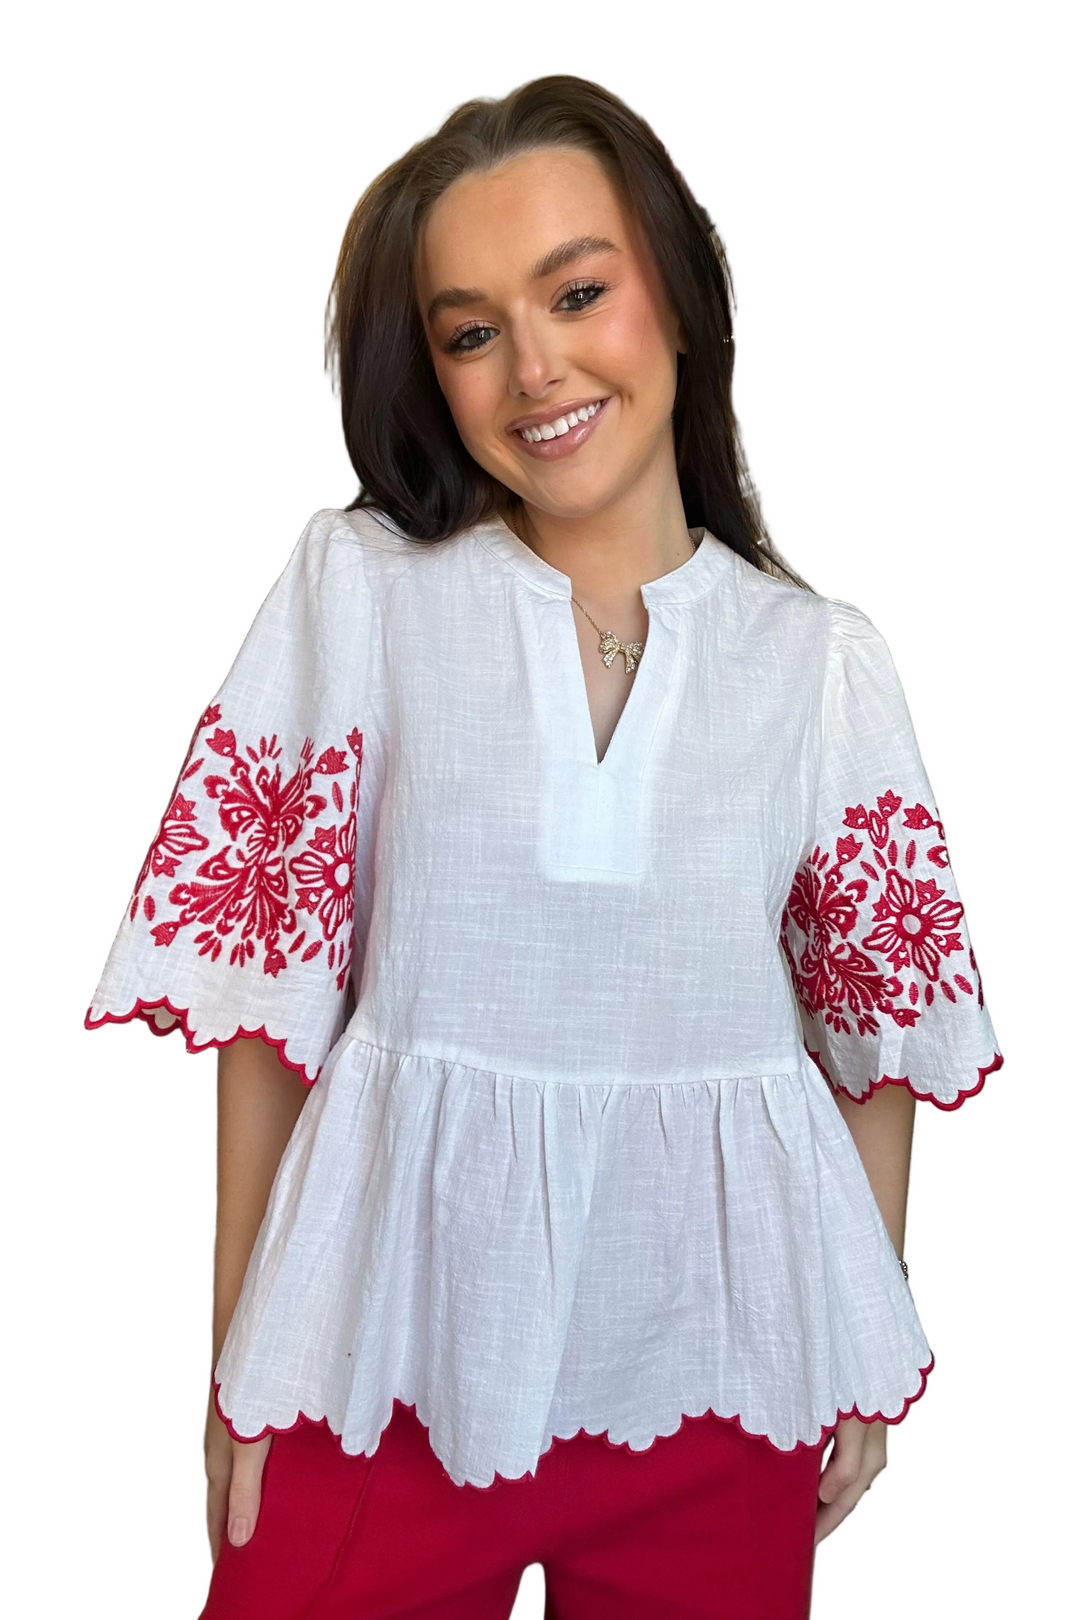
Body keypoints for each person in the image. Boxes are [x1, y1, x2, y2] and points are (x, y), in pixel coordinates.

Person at [86, 75, 1001, 1620]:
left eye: (578, 291)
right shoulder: (360, 598)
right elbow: (266, 1007)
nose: (535, 366)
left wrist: (862, 1322)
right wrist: (242, 1357)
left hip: (717, 1379)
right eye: (468, 331)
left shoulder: (818, 665)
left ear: (682, 295)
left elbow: (873, 1031)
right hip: (382, 1359)